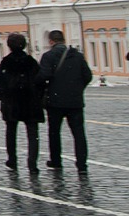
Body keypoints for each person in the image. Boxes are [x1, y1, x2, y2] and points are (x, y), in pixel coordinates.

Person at [38, 29, 92, 173]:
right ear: (63, 40)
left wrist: (45, 90)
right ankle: (82, 164)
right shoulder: (78, 56)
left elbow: (43, 76)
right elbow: (87, 76)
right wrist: (78, 88)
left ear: (51, 41)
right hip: (75, 101)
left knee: (54, 132)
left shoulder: (48, 56)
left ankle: (56, 160)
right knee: (79, 133)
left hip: (55, 101)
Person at [0, 32, 43, 174]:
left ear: (9, 46)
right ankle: (32, 163)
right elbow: (39, 81)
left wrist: (3, 98)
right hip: (30, 101)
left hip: (12, 102)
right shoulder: (31, 62)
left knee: (11, 131)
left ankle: (12, 159)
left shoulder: (6, 62)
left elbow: (0, 84)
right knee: (33, 133)